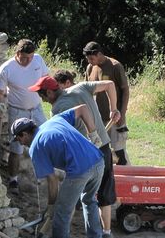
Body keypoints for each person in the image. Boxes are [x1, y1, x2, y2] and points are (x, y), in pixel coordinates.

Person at [28, 75, 120, 238]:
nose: (42, 99)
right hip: (102, 149)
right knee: (94, 198)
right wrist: (113, 109)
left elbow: (64, 138)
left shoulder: (57, 109)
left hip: (83, 156)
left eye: (41, 95)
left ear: (49, 92)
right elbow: (110, 84)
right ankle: (102, 234)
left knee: (65, 207)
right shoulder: (81, 87)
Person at [11, 105, 105, 238]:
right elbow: (83, 108)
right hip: (98, 161)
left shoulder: (36, 147)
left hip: (79, 171)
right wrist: (93, 133)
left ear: (25, 134)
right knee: (89, 201)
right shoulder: (55, 120)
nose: (20, 143)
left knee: (61, 213)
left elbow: (52, 179)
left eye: (18, 139)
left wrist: (51, 206)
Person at [0, 38, 49, 191]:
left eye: (30, 57)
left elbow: (46, 79)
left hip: (36, 108)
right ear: (17, 53)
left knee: (45, 139)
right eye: (25, 57)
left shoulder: (38, 60)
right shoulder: (7, 68)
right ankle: (13, 180)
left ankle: (46, 176)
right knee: (16, 147)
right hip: (17, 110)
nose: (28, 61)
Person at [83, 41, 131, 166]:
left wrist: (122, 113)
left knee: (119, 153)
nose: (90, 61)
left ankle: (128, 180)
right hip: (97, 118)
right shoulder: (90, 68)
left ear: (99, 54)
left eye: (92, 58)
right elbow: (86, 91)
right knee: (101, 151)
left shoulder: (115, 66)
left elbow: (125, 90)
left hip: (115, 117)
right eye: (88, 59)